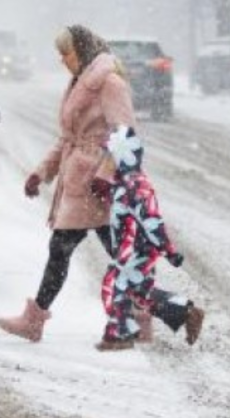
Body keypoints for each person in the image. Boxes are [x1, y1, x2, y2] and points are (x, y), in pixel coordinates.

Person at [0, 24, 133, 343]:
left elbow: (125, 134)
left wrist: (106, 176)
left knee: (62, 249)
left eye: (66, 53)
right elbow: (69, 138)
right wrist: (41, 173)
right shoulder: (80, 82)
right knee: (112, 255)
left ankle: (34, 321)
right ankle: (176, 311)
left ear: (81, 50)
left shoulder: (109, 83)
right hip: (80, 180)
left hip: (95, 184)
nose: (62, 60)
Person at [95, 124, 204, 351]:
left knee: (114, 284)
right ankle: (185, 312)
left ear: (123, 155)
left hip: (138, 248)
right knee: (139, 292)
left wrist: (169, 251)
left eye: (110, 155)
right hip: (131, 248)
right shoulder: (124, 183)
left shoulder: (135, 186)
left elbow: (152, 221)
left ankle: (121, 334)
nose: (105, 160)